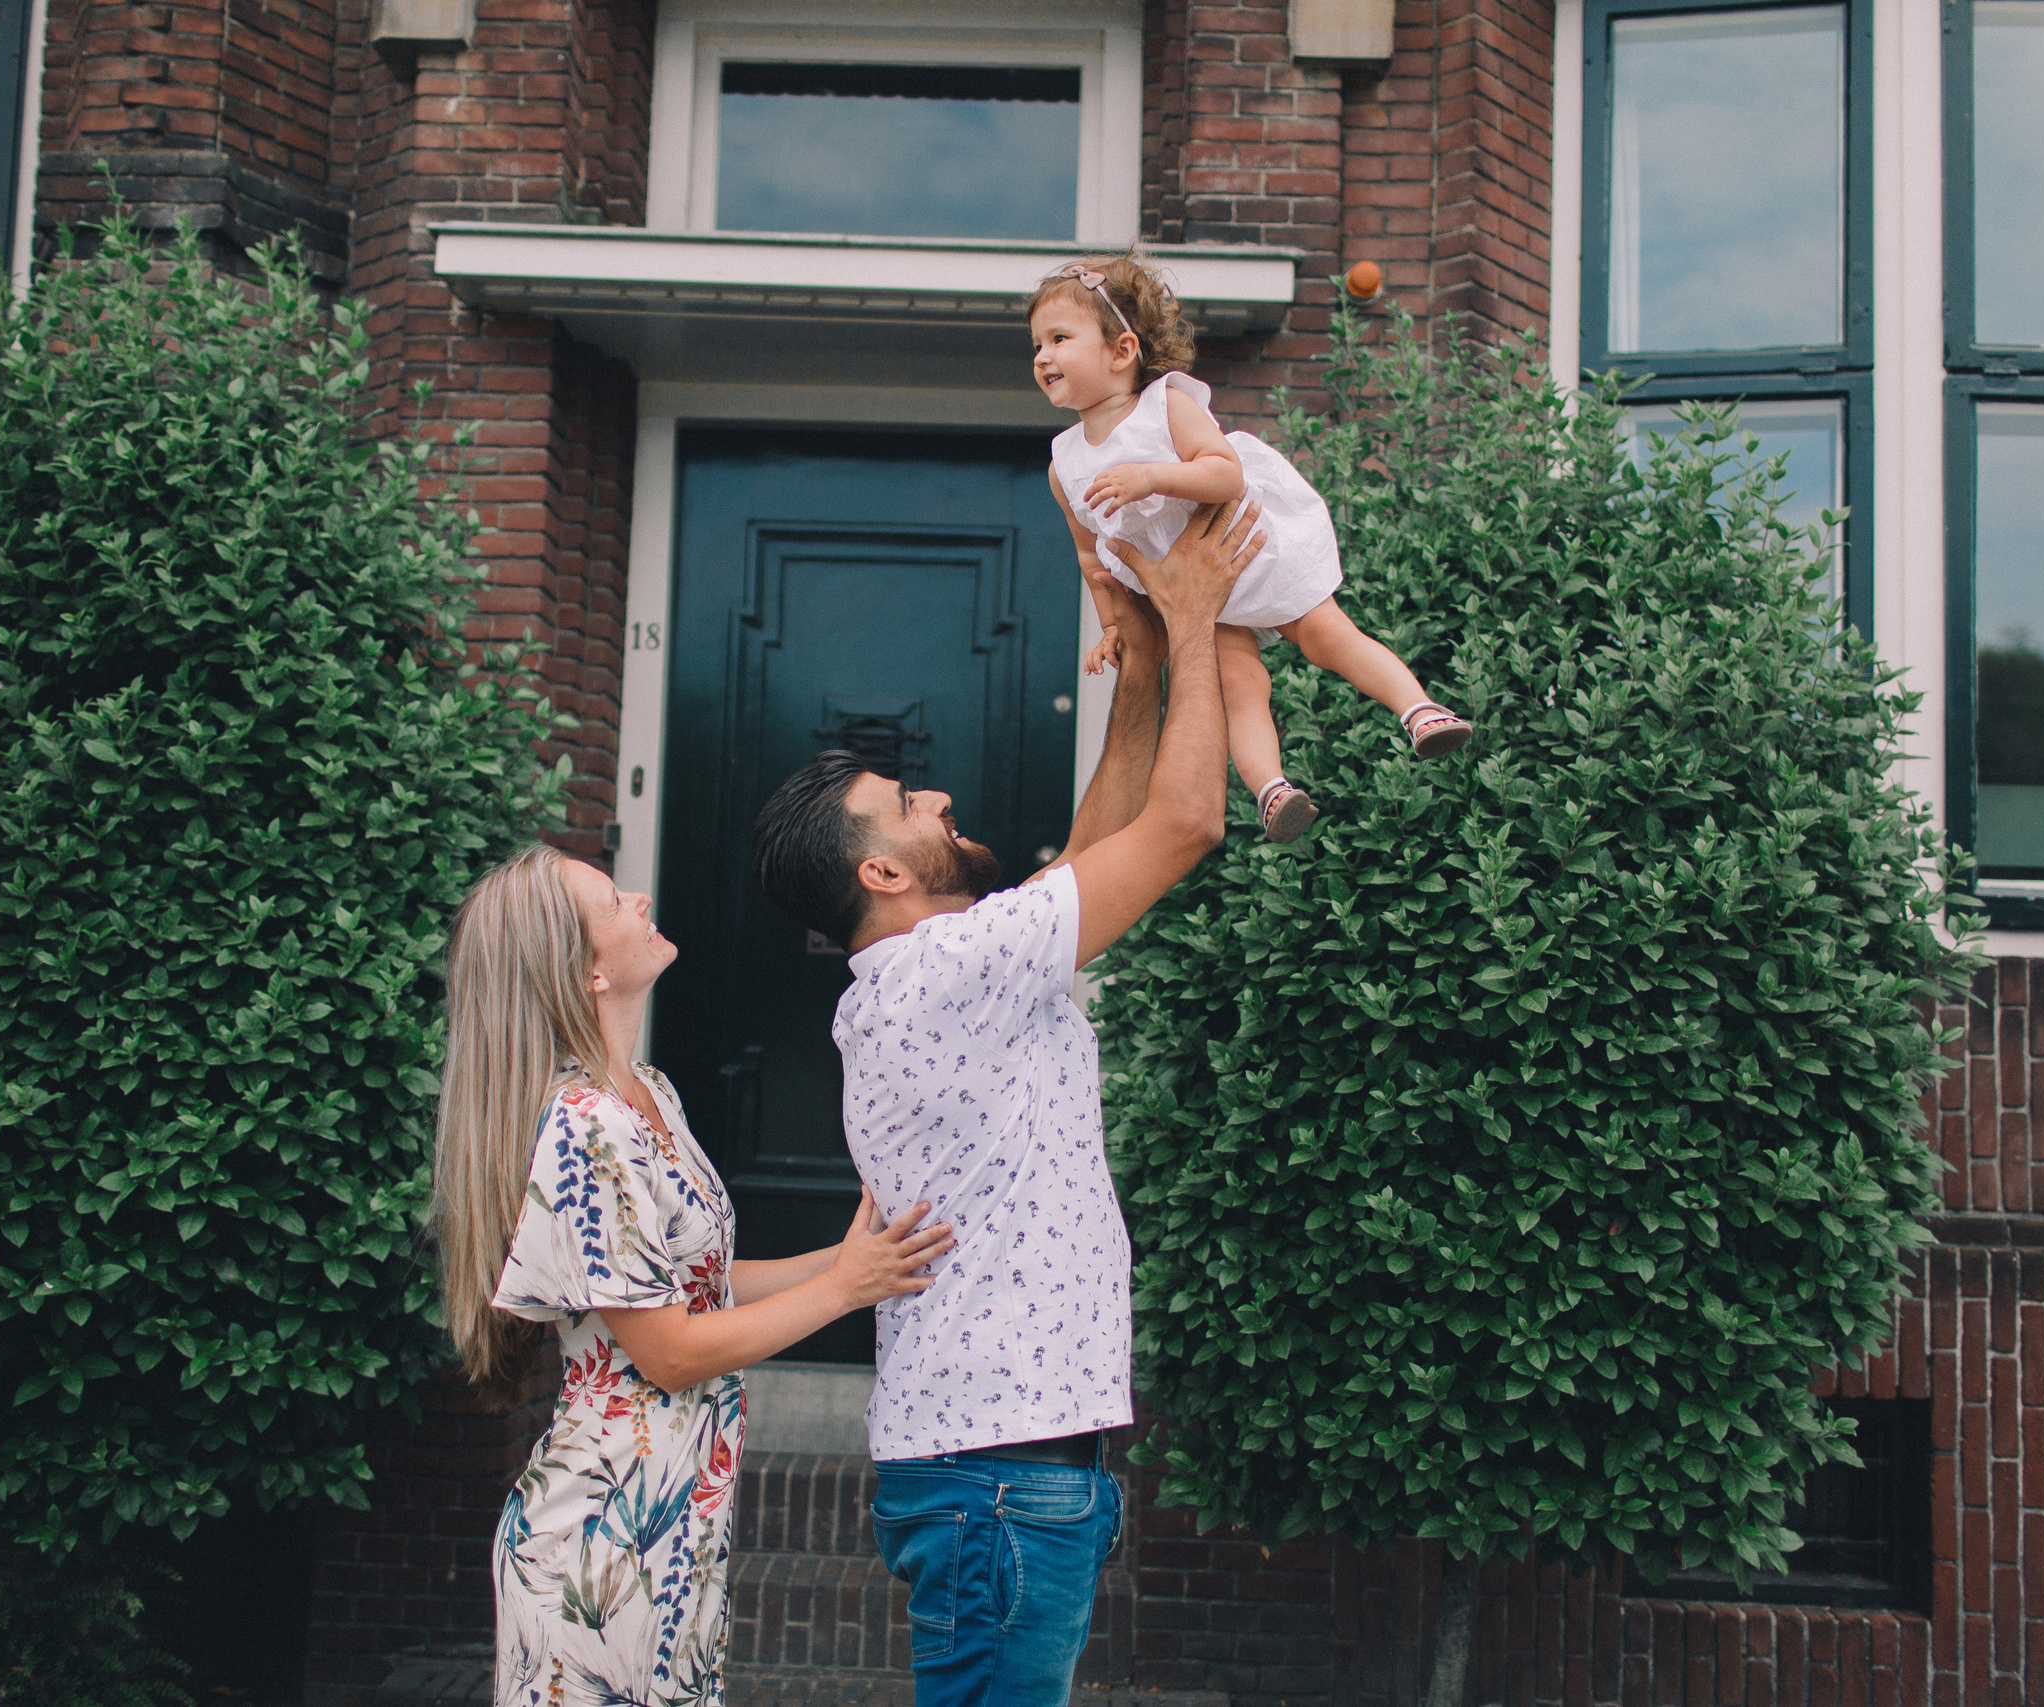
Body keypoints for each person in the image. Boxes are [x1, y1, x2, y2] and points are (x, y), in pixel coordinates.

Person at [747, 496, 1262, 1707]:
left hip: (1007, 1465)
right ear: (880, 871)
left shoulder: (939, 972)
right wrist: (1190, 627)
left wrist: (1135, 675)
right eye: (909, 806)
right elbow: (1184, 824)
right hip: (999, 1475)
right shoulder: (944, 971)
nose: (938, 804)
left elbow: (1095, 848)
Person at [427, 843, 955, 1707]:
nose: (639, 897)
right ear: (587, 970)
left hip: (675, 1527)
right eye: (611, 901)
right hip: (601, 1545)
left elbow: (700, 1284)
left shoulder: (649, 1092)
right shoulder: (586, 1125)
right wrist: (846, 1288)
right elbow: (667, 1351)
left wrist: (859, 1256)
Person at [1030, 253, 1475, 845]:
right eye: (1035, 344)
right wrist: (1111, 625)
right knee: (1239, 685)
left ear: (1121, 350)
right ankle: (1272, 791)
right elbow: (1093, 558)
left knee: (1325, 636)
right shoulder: (1066, 464)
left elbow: (1224, 475)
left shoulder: (1166, 407)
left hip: (1248, 552)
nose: (1042, 356)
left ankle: (1420, 711)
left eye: (1059, 338)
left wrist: (1153, 477)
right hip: (1195, 596)